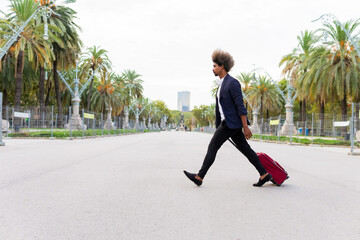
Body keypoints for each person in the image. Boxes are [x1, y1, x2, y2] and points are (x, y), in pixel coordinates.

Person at [183, 49, 272, 187]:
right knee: (246, 149)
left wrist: (246, 127)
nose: (213, 68)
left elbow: (240, 106)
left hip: (230, 124)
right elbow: (220, 109)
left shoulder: (232, 83)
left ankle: (199, 177)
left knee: (212, 147)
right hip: (230, 124)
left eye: (214, 66)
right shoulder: (221, 85)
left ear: (222, 66)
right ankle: (264, 174)